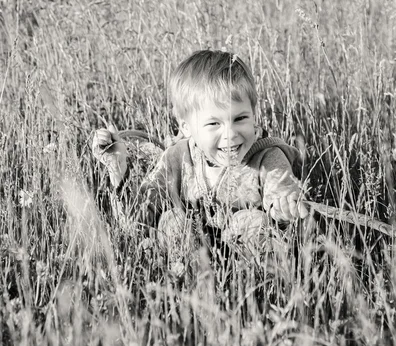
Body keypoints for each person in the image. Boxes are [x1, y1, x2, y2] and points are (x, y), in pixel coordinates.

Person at [91, 49, 309, 264]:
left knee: (251, 221)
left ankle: (265, 283)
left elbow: (282, 198)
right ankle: (192, 284)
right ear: (186, 127)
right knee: (172, 220)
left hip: (246, 262)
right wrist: (117, 170)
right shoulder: (178, 158)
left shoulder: (268, 159)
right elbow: (138, 221)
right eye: (214, 123)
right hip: (193, 256)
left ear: (254, 113)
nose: (230, 134)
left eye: (240, 118)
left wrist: (284, 209)